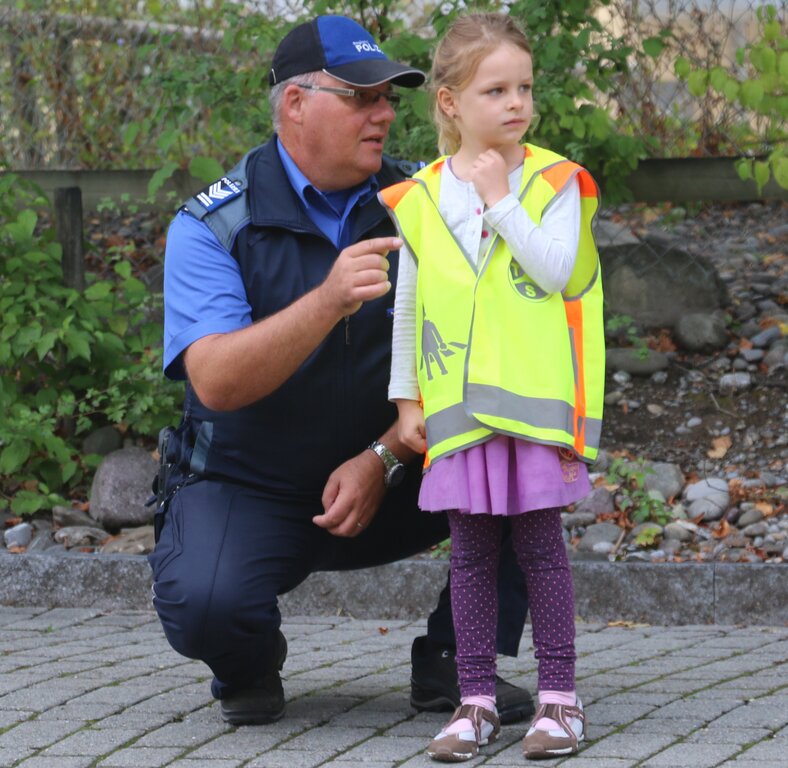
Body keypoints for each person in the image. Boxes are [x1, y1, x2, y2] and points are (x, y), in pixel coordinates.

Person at [148, 14, 535, 729]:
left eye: (388, 97)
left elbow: (494, 355)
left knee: (522, 439)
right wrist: (326, 300)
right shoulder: (212, 227)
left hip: (393, 475)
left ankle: (459, 660)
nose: (384, 112)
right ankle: (249, 659)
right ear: (295, 104)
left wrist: (384, 455)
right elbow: (216, 382)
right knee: (205, 605)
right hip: (254, 488)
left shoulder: (428, 205)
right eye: (360, 97)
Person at [379, 12, 605, 762]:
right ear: (449, 102)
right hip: (459, 411)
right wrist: (406, 398)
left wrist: (501, 195)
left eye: (525, 87)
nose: (516, 103)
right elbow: (410, 304)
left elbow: (556, 270)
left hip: (532, 409)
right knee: (470, 554)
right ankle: (475, 700)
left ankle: (560, 702)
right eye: (496, 89)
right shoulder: (422, 194)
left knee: (540, 549)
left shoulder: (552, 182)